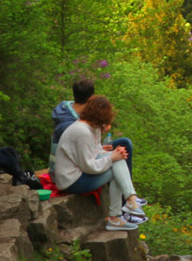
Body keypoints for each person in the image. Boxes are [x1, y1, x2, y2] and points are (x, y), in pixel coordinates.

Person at [54, 96, 147, 231]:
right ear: (99, 119)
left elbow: (92, 151)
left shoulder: (91, 128)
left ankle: (128, 203)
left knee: (118, 158)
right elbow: (89, 166)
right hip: (72, 180)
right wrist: (111, 157)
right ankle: (124, 207)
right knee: (116, 163)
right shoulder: (82, 132)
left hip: (79, 172)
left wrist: (110, 153)